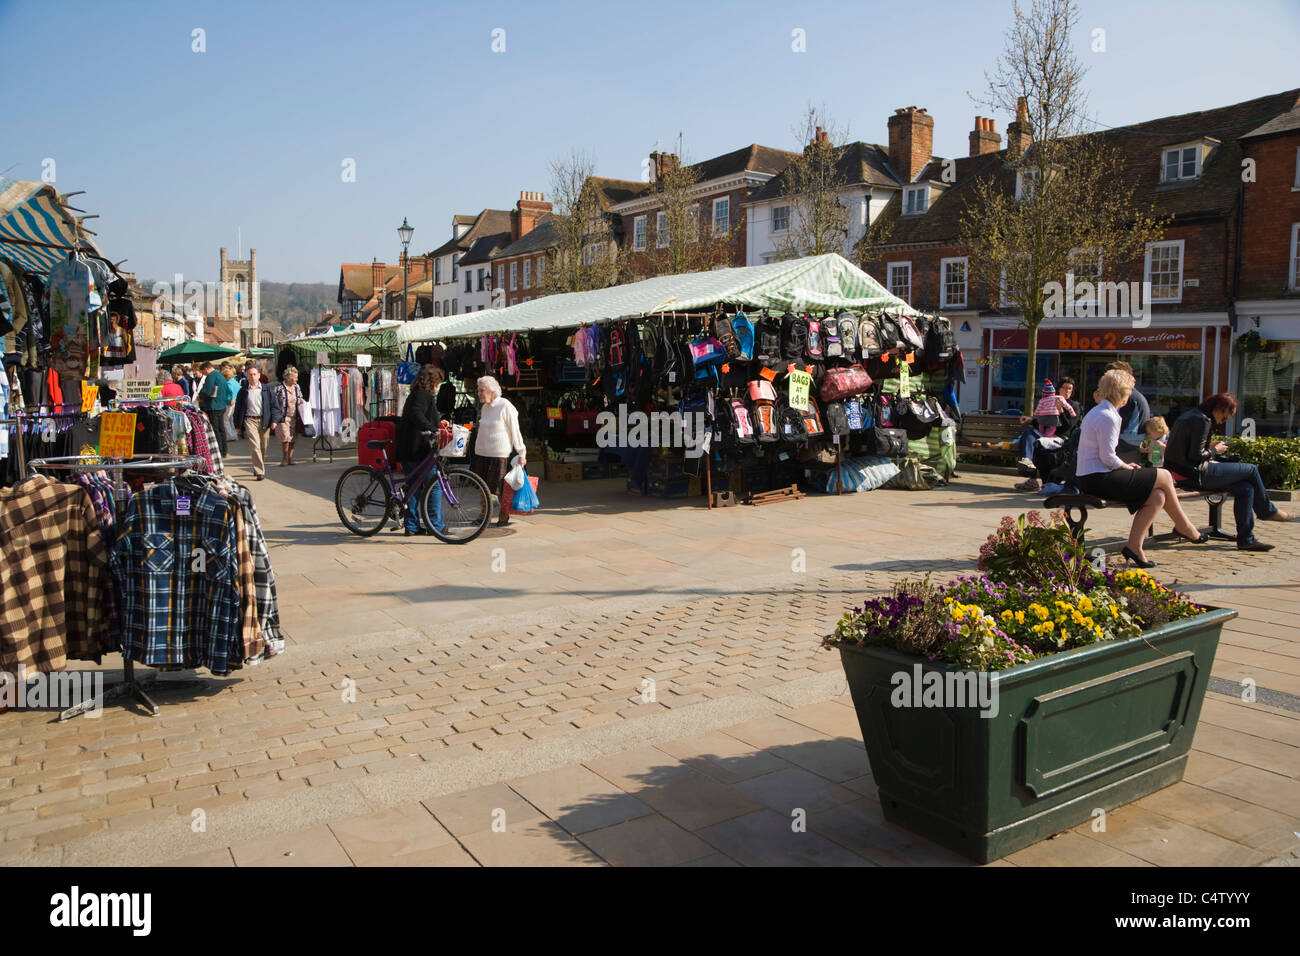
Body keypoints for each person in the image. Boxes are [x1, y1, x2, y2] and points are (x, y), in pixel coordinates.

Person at [1076, 368, 1207, 568]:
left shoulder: (1099, 411)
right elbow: (1107, 457)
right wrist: (1127, 468)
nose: (1130, 396)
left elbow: (1105, 456)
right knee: (1163, 474)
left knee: (1158, 497)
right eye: (1129, 391)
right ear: (1122, 393)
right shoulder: (1108, 416)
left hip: (1093, 475)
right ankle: (1184, 527)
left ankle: (1134, 547)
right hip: (1097, 477)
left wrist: (1126, 467)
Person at [1165, 393, 1291, 552]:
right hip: (1194, 474)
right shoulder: (1202, 421)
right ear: (1219, 409)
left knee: (1245, 488)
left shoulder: (1191, 415)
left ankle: (1246, 539)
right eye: (1225, 417)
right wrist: (1214, 450)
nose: (1223, 422)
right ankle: (1267, 511)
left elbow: (1188, 449)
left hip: (1181, 472)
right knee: (1251, 469)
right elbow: (1195, 456)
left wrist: (1209, 447)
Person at [471, 375, 526, 527]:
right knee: (481, 487)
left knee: (500, 488)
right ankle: (484, 515)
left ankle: (503, 515)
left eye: (481, 390)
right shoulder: (485, 407)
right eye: (478, 390)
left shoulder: (505, 406)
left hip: (499, 454)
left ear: (491, 390)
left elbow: (515, 431)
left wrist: (522, 452)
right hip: (482, 453)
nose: (479, 393)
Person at [397, 365, 446, 535]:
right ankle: (436, 526)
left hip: (409, 448)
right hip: (418, 449)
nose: (438, 386)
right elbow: (417, 415)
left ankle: (411, 526)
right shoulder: (423, 396)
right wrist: (432, 429)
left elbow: (420, 415)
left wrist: (437, 425)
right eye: (438, 382)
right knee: (434, 486)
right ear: (432, 382)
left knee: (413, 487)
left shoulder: (416, 394)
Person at [1015, 377, 1081, 492]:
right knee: (1029, 434)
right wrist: (1031, 420)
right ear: (1058, 389)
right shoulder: (1050, 401)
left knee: (1039, 445)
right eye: (1064, 388)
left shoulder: (1073, 406)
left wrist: (1060, 411)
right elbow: (1044, 420)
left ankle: (1032, 480)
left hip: (1060, 438)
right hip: (1046, 435)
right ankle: (1027, 462)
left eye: (1070, 389)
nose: (1067, 391)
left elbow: (1069, 427)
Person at [233, 366, 273, 480]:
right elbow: (238, 408)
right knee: (255, 446)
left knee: (263, 446)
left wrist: (275, 420)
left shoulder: (266, 389)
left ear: (259, 375)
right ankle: (260, 471)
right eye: (250, 374)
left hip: (264, 420)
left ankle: (258, 466)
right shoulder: (244, 391)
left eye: (255, 374)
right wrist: (237, 426)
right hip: (250, 420)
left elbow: (274, 405)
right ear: (246, 376)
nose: (253, 376)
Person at [1107, 361, 1150, 461]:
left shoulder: (1128, 397)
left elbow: (1117, 425)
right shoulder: (1134, 395)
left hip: (1127, 445)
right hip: (1133, 443)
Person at [269, 366, 304, 466]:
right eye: (295, 377)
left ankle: (290, 458)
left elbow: (300, 397)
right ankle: (284, 458)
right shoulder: (279, 388)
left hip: (294, 416)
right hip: (283, 416)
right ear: (288, 377)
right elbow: (274, 402)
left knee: (292, 438)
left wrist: (302, 401)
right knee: (285, 437)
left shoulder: (297, 387)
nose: (296, 379)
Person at [197, 361, 231, 456]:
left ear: (206, 369)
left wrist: (200, 397)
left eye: (204, 372)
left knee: (216, 429)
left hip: (214, 406)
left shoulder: (211, 376)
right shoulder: (220, 375)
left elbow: (207, 390)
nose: (204, 374)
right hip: (221, 405)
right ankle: (224, 450)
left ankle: (219, 450)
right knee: (221, 429)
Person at [221, 363, 241, 441]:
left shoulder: (228, 383)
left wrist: (232, 398)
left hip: (229, 402)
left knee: (225, 419)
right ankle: (234, 435)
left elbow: (231, 392)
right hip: (235, 402)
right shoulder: (235, 382)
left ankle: (230, 436)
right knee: (230, 419)